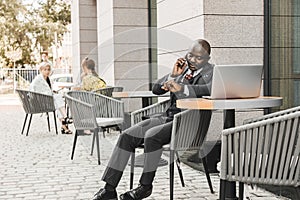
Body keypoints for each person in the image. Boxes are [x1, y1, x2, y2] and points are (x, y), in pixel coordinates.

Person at [92, 39, 214, 200]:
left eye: (198, 58)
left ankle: (145, 187)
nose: (192, 60)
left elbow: (208, 88)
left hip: (188, 122)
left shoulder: (211, 72)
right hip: (167, 117)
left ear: (206, 60)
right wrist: (173, 76)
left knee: (152, 136)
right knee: (127, 136)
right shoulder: (182, 69)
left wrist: (183, 88)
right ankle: (109, 189)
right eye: (190, 55)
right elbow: (156, 89)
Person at [29, 62, 73, 134]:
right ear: (41, 70)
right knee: (58, 99)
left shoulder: (48, 79)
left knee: (58, 101)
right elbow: (33, 91)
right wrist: (50, 94)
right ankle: (65, 119)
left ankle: (64, 125)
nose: (47, 71)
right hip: (40, 103)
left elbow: (47, 91)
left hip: (48, 100)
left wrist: (52, 92)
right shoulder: (38, 79)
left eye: (48, 70)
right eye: (45, 70)